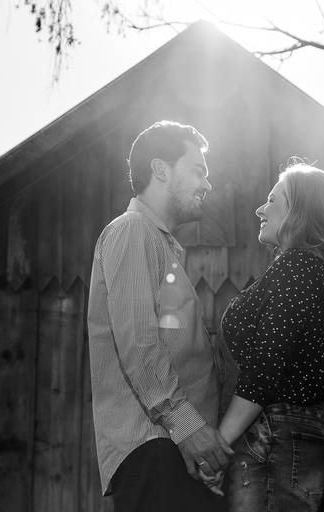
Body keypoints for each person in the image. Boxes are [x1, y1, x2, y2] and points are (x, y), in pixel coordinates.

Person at [86, 120, 232, 512]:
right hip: (156, 451)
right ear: (161, 170)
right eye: (198, 170)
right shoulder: (132, 231)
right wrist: (188, 428)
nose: (207, 184)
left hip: (177, 451)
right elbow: (139, 343)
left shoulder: (159, 245)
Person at [203, 163, 324, 511]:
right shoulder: (321, 278)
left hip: (273, 437)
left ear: (300, 211)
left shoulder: (296, 267)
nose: (260, 209)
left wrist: (219, 447)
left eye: (273, 200)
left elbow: (265, 368)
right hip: (295, 436)